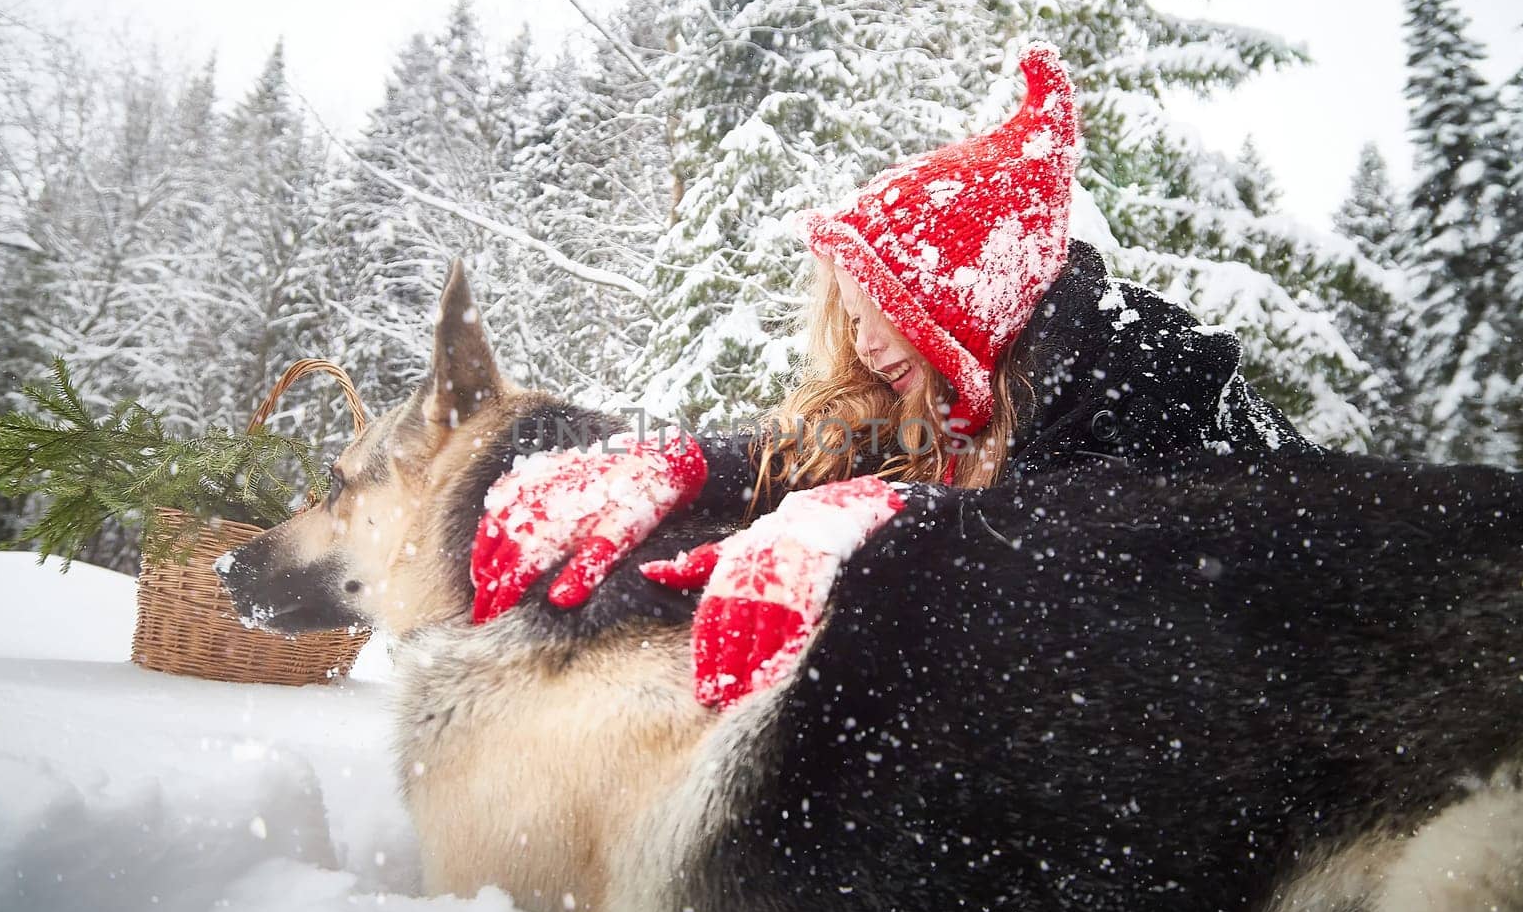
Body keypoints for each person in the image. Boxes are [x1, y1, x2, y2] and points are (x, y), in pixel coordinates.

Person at [469, 41, 1318, 709]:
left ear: (953, 305)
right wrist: (687, 464)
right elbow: (819, 451)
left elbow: (1085, 548)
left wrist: (899, 516)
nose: (864, 343)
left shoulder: (1130, 370)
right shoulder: (941, 390)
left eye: (881, 314)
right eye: (849, 315)